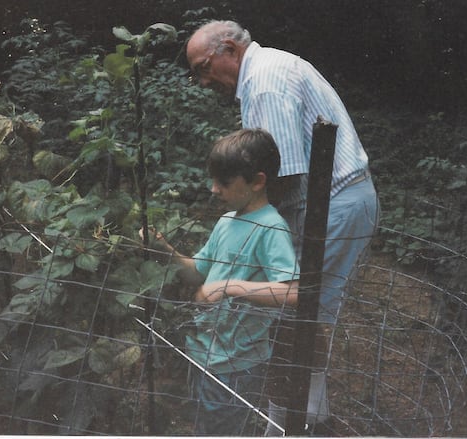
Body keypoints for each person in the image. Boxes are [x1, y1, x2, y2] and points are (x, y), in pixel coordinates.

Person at [186, 20, 380, 432]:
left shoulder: (267, 82)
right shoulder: (262, 74)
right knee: (302, 316)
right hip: (329, 202)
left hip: (334, 204)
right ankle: (312, 416)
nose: (202, 80)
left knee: (292, 316)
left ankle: (286, 426)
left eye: (203, 67)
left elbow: (282, 176)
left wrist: (248, 226)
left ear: (229, 51)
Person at [141, 128, 299, 436]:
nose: (214, 189)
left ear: (257, 181)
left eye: (223, 182)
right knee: (206, 425)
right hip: (205, 354)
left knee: (220, 430)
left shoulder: (271, 227)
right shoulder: (227, 221)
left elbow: (293, 292)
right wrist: (162, 247)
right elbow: (199, 272)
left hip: (237, 364)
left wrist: (231, 287)